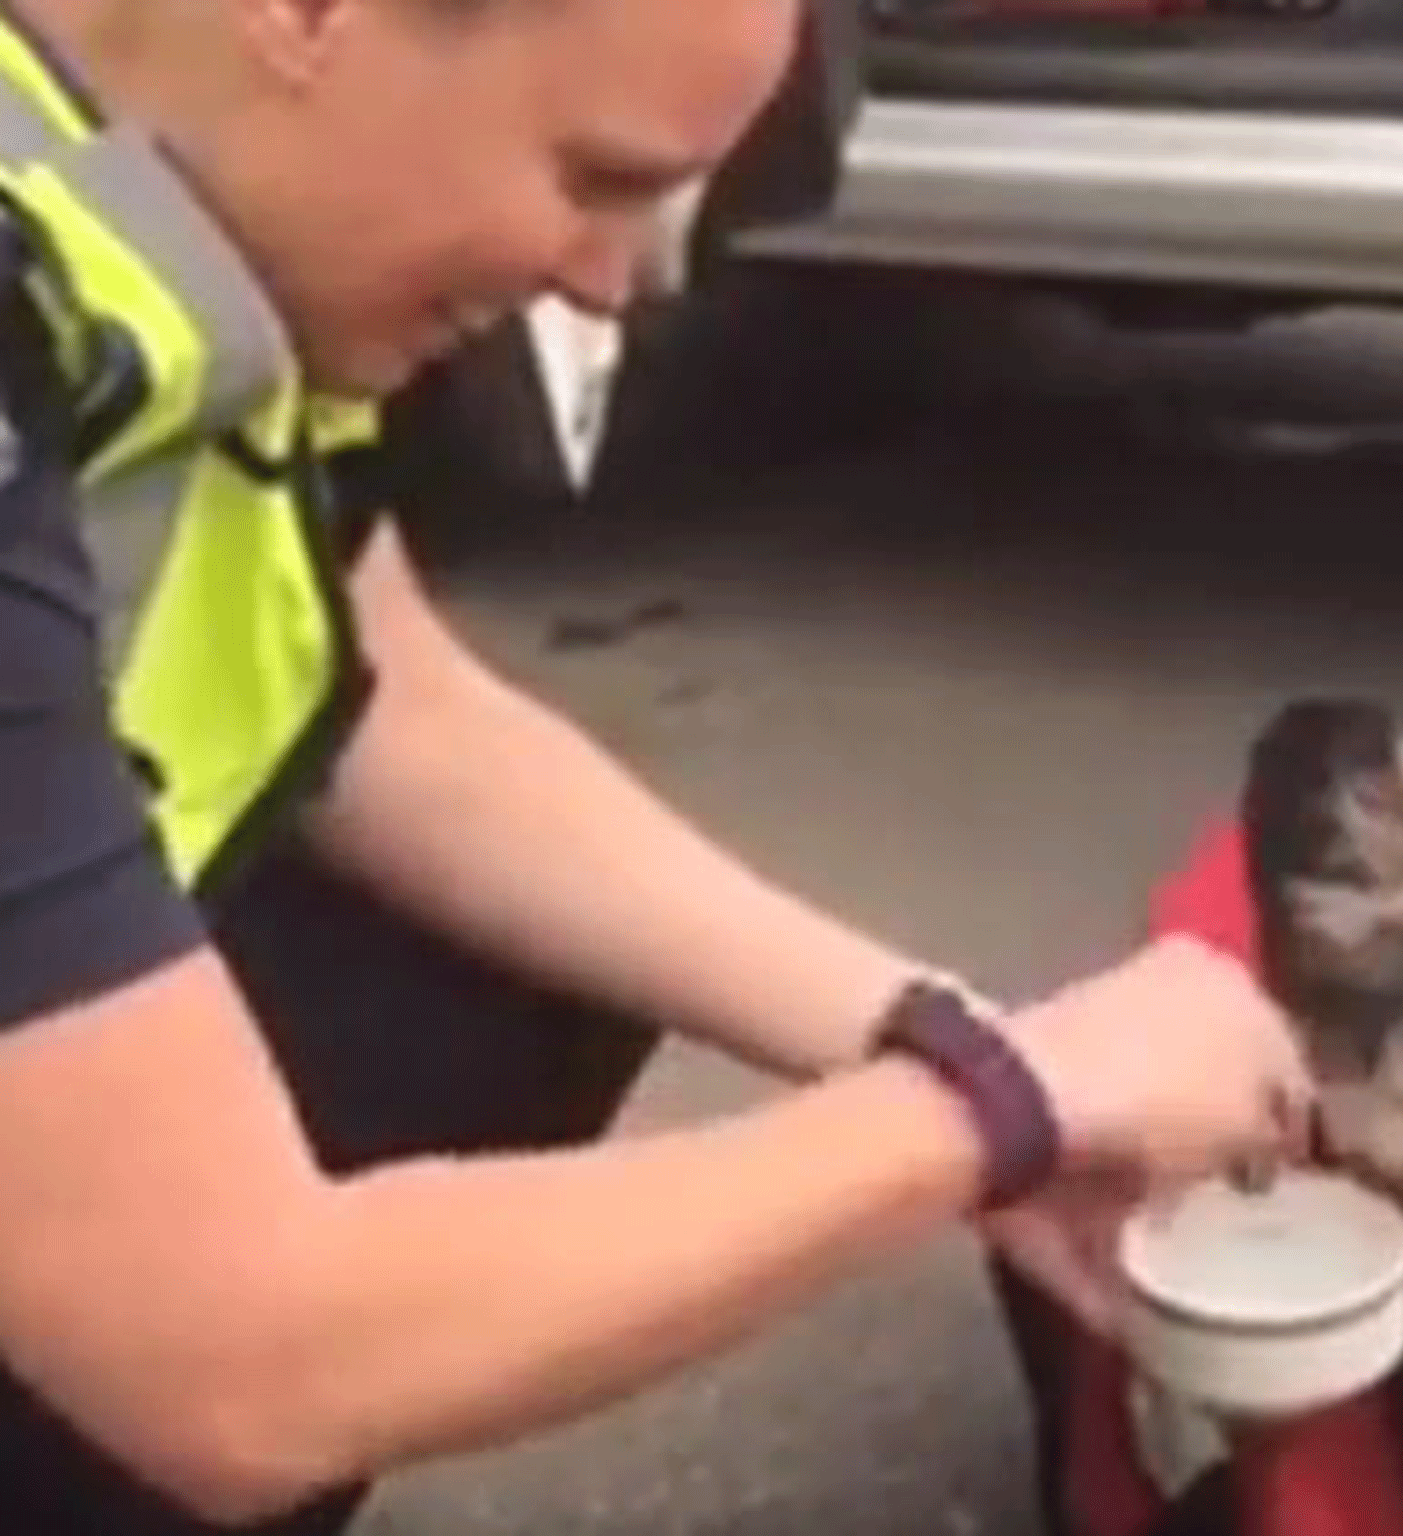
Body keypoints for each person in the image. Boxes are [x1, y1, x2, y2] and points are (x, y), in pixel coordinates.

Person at [0, 0, 1318, 1531]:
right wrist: (990, 1117)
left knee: (475, 963)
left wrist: (956, 1039)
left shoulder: (159, 218)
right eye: (592, 176)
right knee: (228, 1337)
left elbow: (381, 708)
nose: (608, 283)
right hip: (217, 1345)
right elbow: (240, 1357)